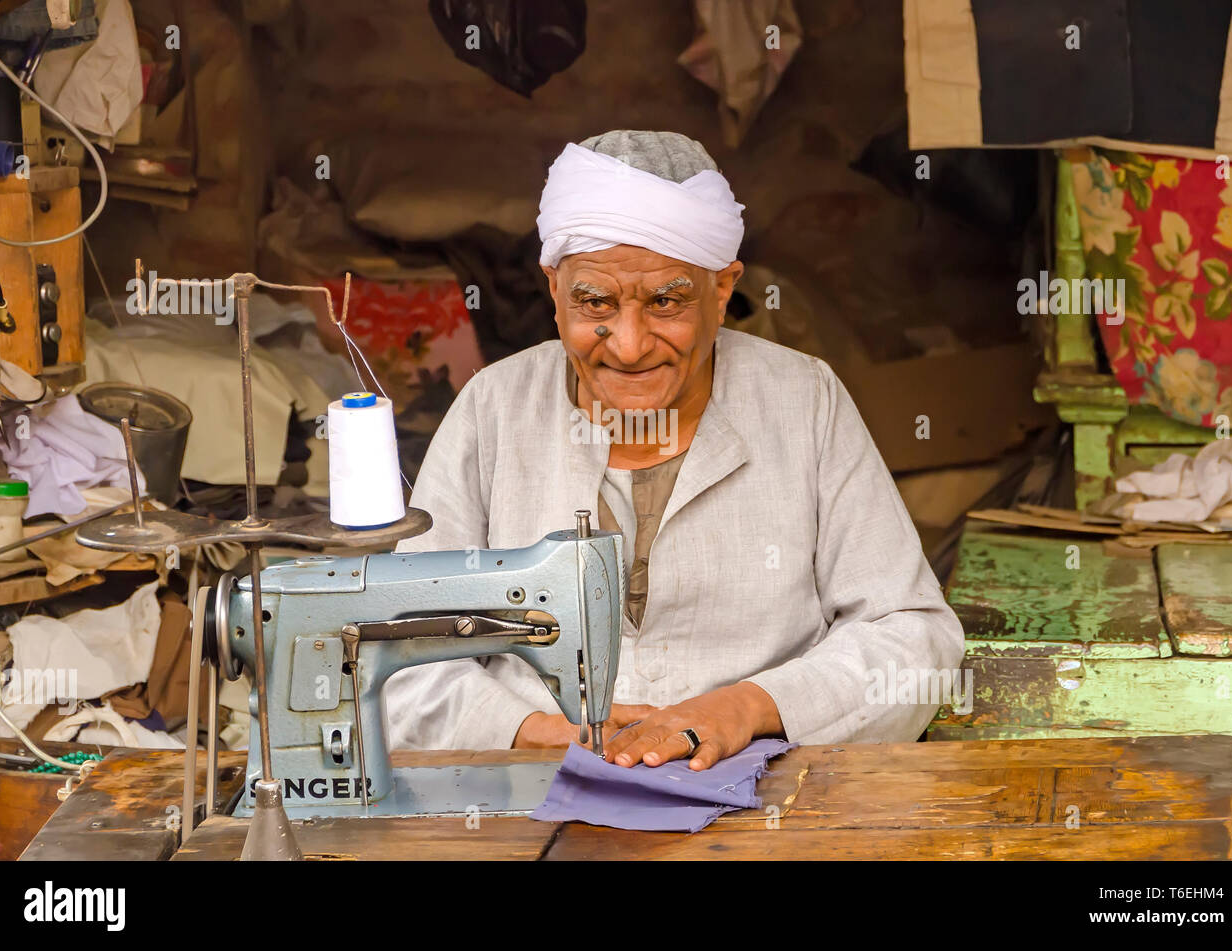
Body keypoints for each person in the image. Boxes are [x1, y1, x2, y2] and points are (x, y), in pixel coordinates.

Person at [387, 129, 965, 770]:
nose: (629, 345)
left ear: (722, 289)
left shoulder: (803, 400)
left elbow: (916, 641)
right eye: (594, 302)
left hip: (765, 797)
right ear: (554, 289)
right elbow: (405, 653)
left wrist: (748, 708)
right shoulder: (494, 410)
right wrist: (531, 731)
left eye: (666, 301)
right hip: (530, 796)